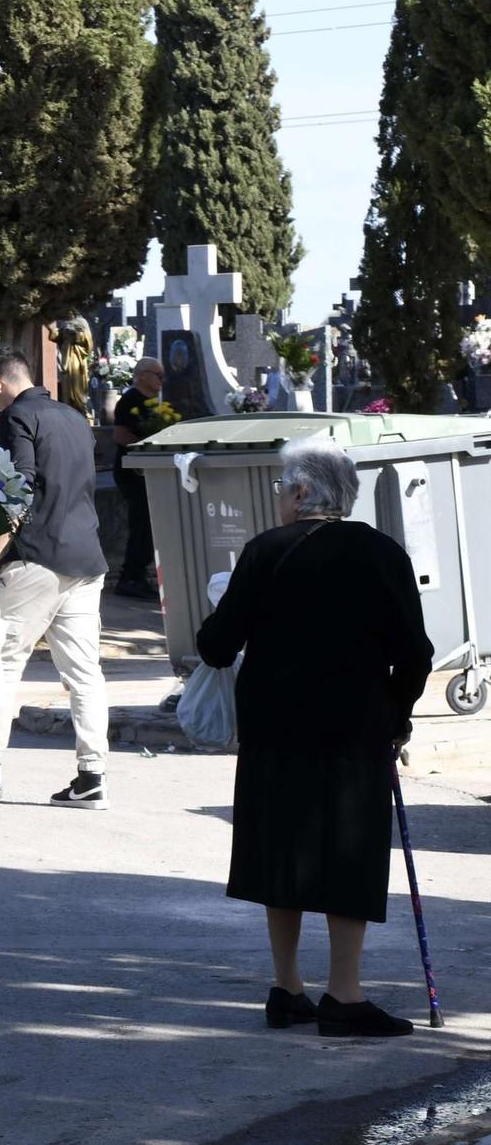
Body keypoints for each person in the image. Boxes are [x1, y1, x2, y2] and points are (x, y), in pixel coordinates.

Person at [196, 438, 433, 1038]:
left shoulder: (263, 552)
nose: (280, 496)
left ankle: (288, 987)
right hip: (354, 726)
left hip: (275, 728)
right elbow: (415, 652)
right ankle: (344, 995)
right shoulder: (382, 553)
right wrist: (398, 713)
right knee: (347, 853)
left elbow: (216, 646)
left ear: (302, 492)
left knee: (283, 848)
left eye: (282, 487)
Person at [0, 349, 113, 809]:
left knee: (3, 662)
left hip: (36, 556)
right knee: (84, 674)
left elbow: (21, 485)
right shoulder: (74, 417)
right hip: (86, 556)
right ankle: (92, 775)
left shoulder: (16, 417)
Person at [111, 358, 164, 600]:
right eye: (157, 375)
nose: (161, 381)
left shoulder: (151, 403)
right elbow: (121, 434)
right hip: (133, 472)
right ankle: (130, 577)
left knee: (148, 525)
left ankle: (138, 574)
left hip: (147, 470)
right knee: (141, 523)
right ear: (142, 375)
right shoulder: (130, 400)